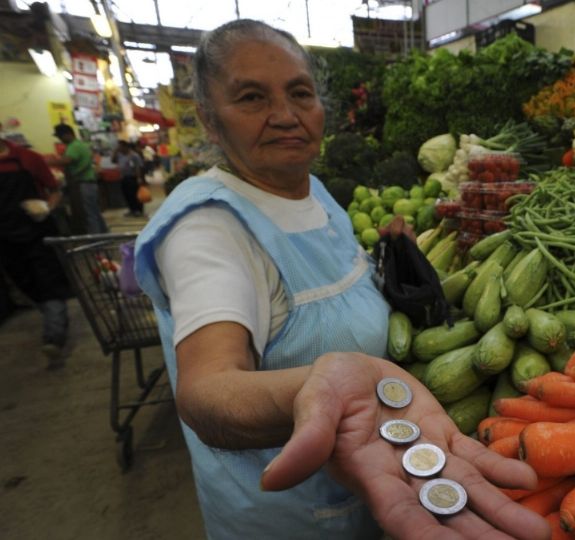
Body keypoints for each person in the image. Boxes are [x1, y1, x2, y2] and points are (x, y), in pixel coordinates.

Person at [133, 20, 549, 540]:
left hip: (374, 483)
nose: (285, 116)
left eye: (299, 93)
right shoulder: (208, 231)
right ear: (209, 121)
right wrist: (318, 391)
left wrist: (400, 262)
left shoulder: (310, 191)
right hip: (289, 519)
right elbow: (207, 392)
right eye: (252, 97)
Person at [0, 136, 71, 368]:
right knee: (27, 284)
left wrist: (46, 207)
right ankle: (56, 318)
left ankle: (54, 337)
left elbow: (55, 188)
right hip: (6, 241)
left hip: (38, 234)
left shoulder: (28, 158)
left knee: (49, 281)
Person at [49, 123, 109, 234]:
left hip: (83, 184)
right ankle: (104, 235)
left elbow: (66, 161)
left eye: (60, 136)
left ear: (67, 134)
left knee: (89, 214)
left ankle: (96, 240)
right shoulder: (80, 144)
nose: (59, 139)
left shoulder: (74, 146)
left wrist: (45, 162)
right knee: (94, 212)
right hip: (89, 184)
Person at [113, 141, 145, 217]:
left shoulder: (134, 155)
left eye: (120, 147)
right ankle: (131, 210)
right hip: (123, 177)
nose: (119, 148)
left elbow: (138, 167)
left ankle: (138, 210)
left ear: (125, 147)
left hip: (132, 177)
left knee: (134, 195)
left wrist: (139, 178)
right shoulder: (119, 155)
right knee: (127, 195)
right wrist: (115, 151)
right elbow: (113, 160)